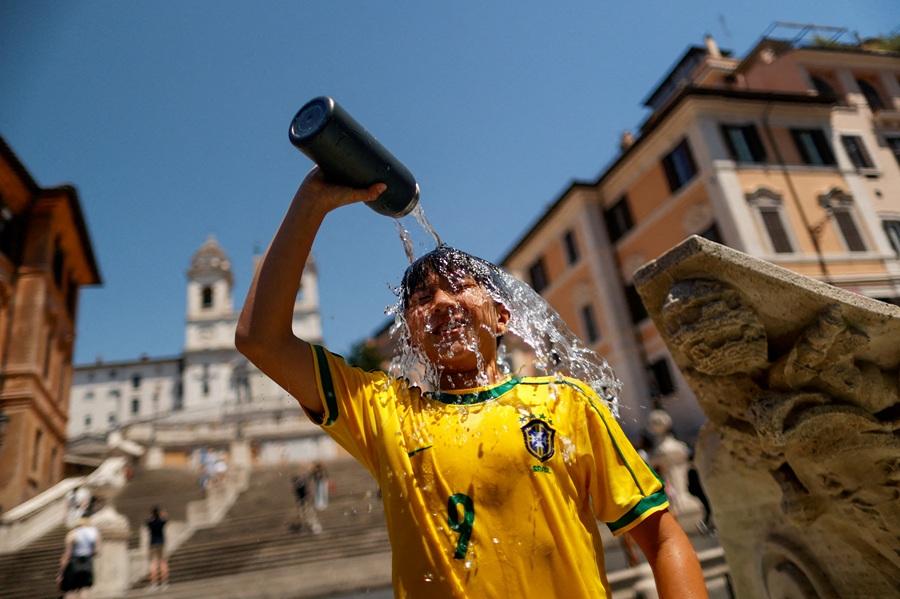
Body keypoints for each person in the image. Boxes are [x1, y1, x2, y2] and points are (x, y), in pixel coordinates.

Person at [235, 168, 706, 597]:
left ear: (501, 316)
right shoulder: (384, 412)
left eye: (459, 286)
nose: (441, 302)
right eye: (422, 297)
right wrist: (311, 201)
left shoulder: (566, 403)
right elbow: (261, 340)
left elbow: (664, 540)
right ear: (409, 330)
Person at [58, 516, 100, 598]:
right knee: (84, 589)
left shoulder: (72, 534)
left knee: (71, 591)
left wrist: (61, 572)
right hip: (87, 564)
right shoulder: (94, 533)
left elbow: (67, 554)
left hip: (73, 564)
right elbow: (97, 551)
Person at [146, 506, 169, 590]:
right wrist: (162, 514)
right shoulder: (161, 521)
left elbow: (147, 521)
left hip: (152, 543)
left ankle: (154, 584)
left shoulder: (150, 522)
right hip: (161, 543)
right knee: (163, 563)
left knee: (153, 564)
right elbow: (166, 519)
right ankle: (164, 583)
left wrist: (152, 516)